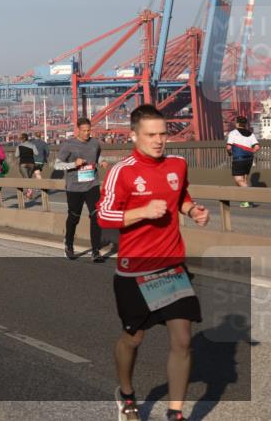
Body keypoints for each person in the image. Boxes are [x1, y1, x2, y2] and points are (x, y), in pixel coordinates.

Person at [97, 104, 210, 421]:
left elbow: (182, 196)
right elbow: (103, 215)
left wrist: (192, 211)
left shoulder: (178, 164)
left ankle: (175, 414)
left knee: (183, 340)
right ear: (133, 135)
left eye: (163, 134)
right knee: (133, 338)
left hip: (172, 267)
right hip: (135, 271)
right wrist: (141, 212)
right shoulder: (123, 171)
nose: (159, 141)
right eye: (151, 135)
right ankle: (127, 394)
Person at [55, 117, 108, 262]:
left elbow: (96, 155)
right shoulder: (68, 144)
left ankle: (96, 251)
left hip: (92, 184)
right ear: (77, 130)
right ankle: (69, 244)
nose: (86, 133)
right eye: (83, 131)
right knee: (74, 217)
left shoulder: (95, 143)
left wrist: (101, 161)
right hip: (74, 187)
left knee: (96, 216)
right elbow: (57, 165)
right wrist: (73, 164)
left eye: (88, 130)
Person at [226, 116, 260, 207]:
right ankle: (246, 202)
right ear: (245, 124)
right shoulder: (250, 133)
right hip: (249, 158)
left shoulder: (233, 133)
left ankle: (249, 194)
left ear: (237, 123)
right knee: (244, 179)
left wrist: (229, 153)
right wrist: (250, 152)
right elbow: (257, 147)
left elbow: (229, 147)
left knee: (238, 180)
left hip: (239, 158)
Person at [16, 133, 38, 199]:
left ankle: (29, 191)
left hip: (23, 163)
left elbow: (16, 155)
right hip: (31, 163)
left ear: (22, 139)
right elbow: (36, 153)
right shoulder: (32, 145)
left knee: (26, 178)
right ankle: (29, 192)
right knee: (29, 178)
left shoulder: (19, 146)